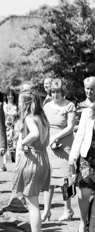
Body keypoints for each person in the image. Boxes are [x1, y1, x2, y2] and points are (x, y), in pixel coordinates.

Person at [11, 90, 50, 232]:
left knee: (32, 203)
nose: (18, 104)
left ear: (25, 103)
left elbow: (34, 134)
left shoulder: (29, 118)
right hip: (43, 159)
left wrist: (23, 144)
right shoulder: (43, 118)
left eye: (20, 101)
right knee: (32, 201)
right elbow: (45, 139)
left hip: (32, 160)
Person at [41, 79, 76, 221]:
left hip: (65, 146)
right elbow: (44, 125)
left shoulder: (70, 105)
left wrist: (56, 137)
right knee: (48, 180)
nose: (55, 94)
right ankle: (46, 211)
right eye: (53, 92)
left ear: (63, 92)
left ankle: (68, 210)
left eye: (58, 92)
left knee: (66, 180)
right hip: (50, 147)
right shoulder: (47, 106)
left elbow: (70, 127)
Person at [68, 80, 95, 232]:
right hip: (87, 156)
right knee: (84, 193)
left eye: (92, 89)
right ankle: (82, 221)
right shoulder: (87, 111)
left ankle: (92, 226)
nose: (89, 92)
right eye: (87, 89)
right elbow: (79, 136)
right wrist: (72, 157)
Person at [2, 89, 19, 170]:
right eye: (8, 95)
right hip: (5, 127)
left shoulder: (17, 106)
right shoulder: (4, 106)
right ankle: (3, 164)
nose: (10, 96)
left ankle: (15, 164)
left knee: (14, 145)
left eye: (11, 95)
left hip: (14, 128)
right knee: (4, 145)